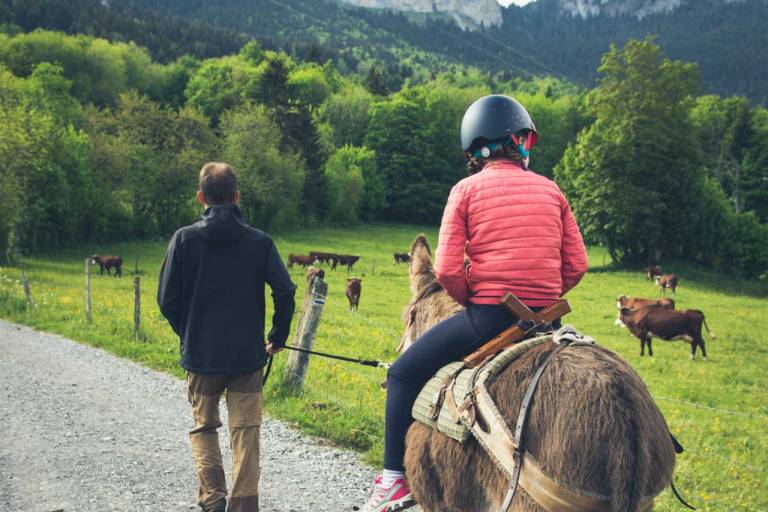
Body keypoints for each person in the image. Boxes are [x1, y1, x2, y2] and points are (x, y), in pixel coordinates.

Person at [357, 95, 589, 512]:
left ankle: (393, 480)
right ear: (517, 143)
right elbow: (578, 264)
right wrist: (546, 296)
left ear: (475, 148)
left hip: (489, 317)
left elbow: (445, 270)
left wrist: (473, 300)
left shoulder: (465, 189)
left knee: (403, 374)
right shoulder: (552, 190)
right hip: (547, 324)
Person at [157, 162, 296, 512]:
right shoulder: (259, 242)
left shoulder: (183, 239)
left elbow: (166, 299)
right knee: (246, 433)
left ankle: (213, 499)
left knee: (204, 427)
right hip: (247, 357)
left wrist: (187, 330)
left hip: (201, 358)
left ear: (201, 197)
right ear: (236, 196)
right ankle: (244, 505)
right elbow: (285, 290)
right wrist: (277, 336)